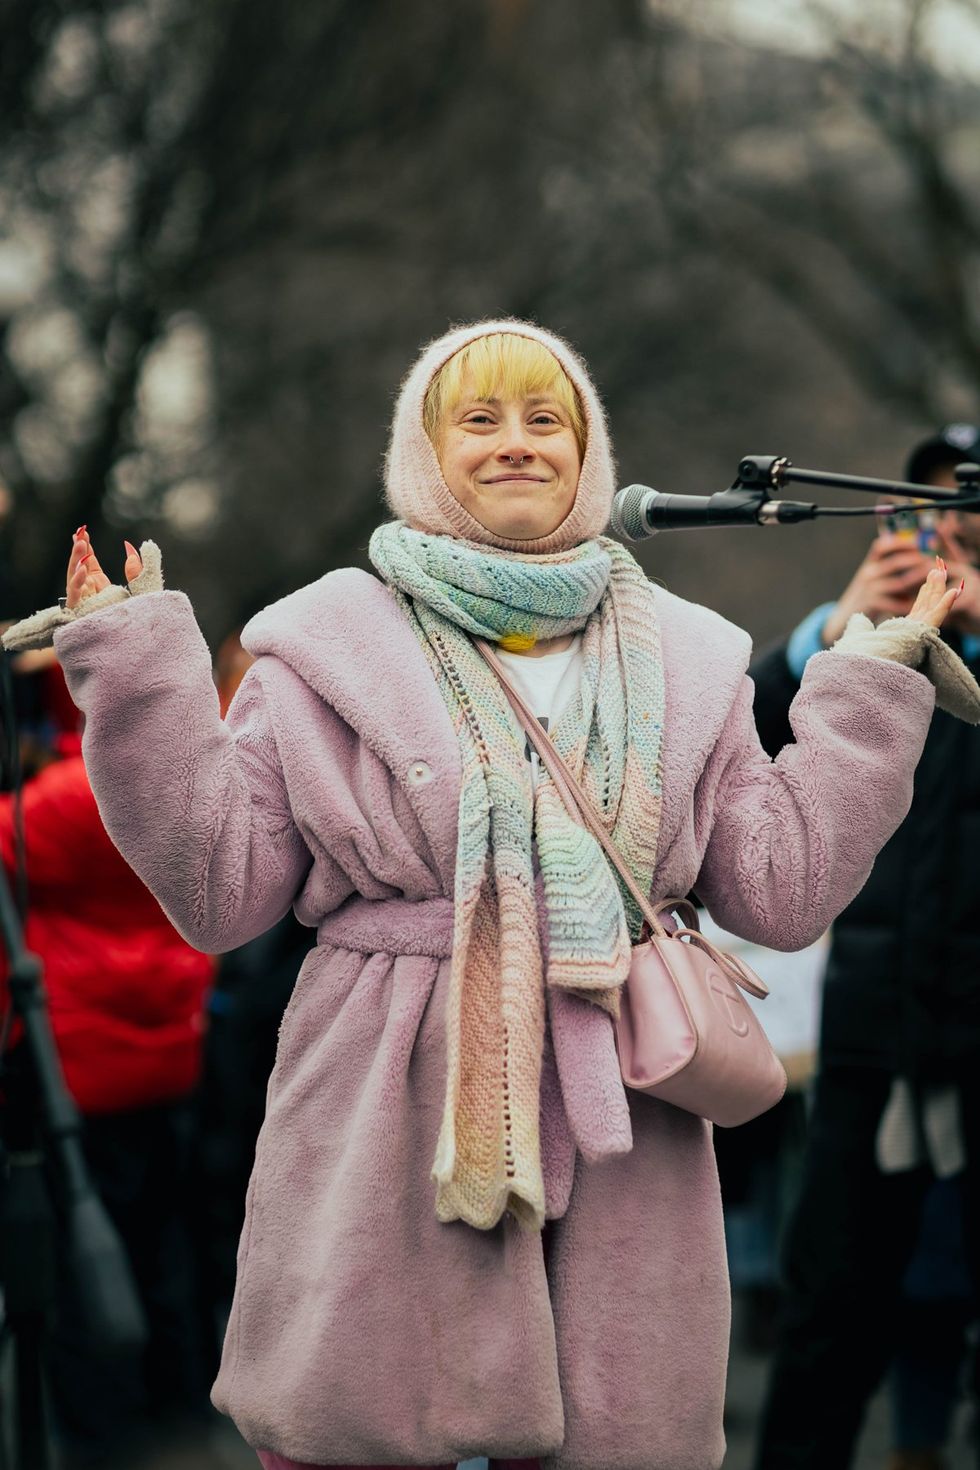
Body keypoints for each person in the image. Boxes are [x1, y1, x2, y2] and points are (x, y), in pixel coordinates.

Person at [3, 322, 976, 1470]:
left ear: (587, 451)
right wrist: (141, 685)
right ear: (422, 453)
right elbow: (222, 890)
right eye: (478, 419)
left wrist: (866, 693)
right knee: (360, 1438)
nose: (515, 443)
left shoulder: (691, 655)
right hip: (386, 1101)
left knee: (614, 1444)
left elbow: (780, 890)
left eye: (543, 419)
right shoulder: (320, 645)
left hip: (625, 1116)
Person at [750, 424, 980, 1470]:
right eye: (921, 514)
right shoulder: (867, 659)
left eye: (965, 518)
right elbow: (737, 758)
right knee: (826, 1318)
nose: (944, 540)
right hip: (873, 1034)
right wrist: (837, 631)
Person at [0, 652, 216, 1468]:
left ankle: (105, 1441)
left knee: (81, 1266)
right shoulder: (177, 783)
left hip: (77, 1069)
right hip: (168, 1047)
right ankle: (181, 1417)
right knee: (165, 1250)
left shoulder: (64, 799)